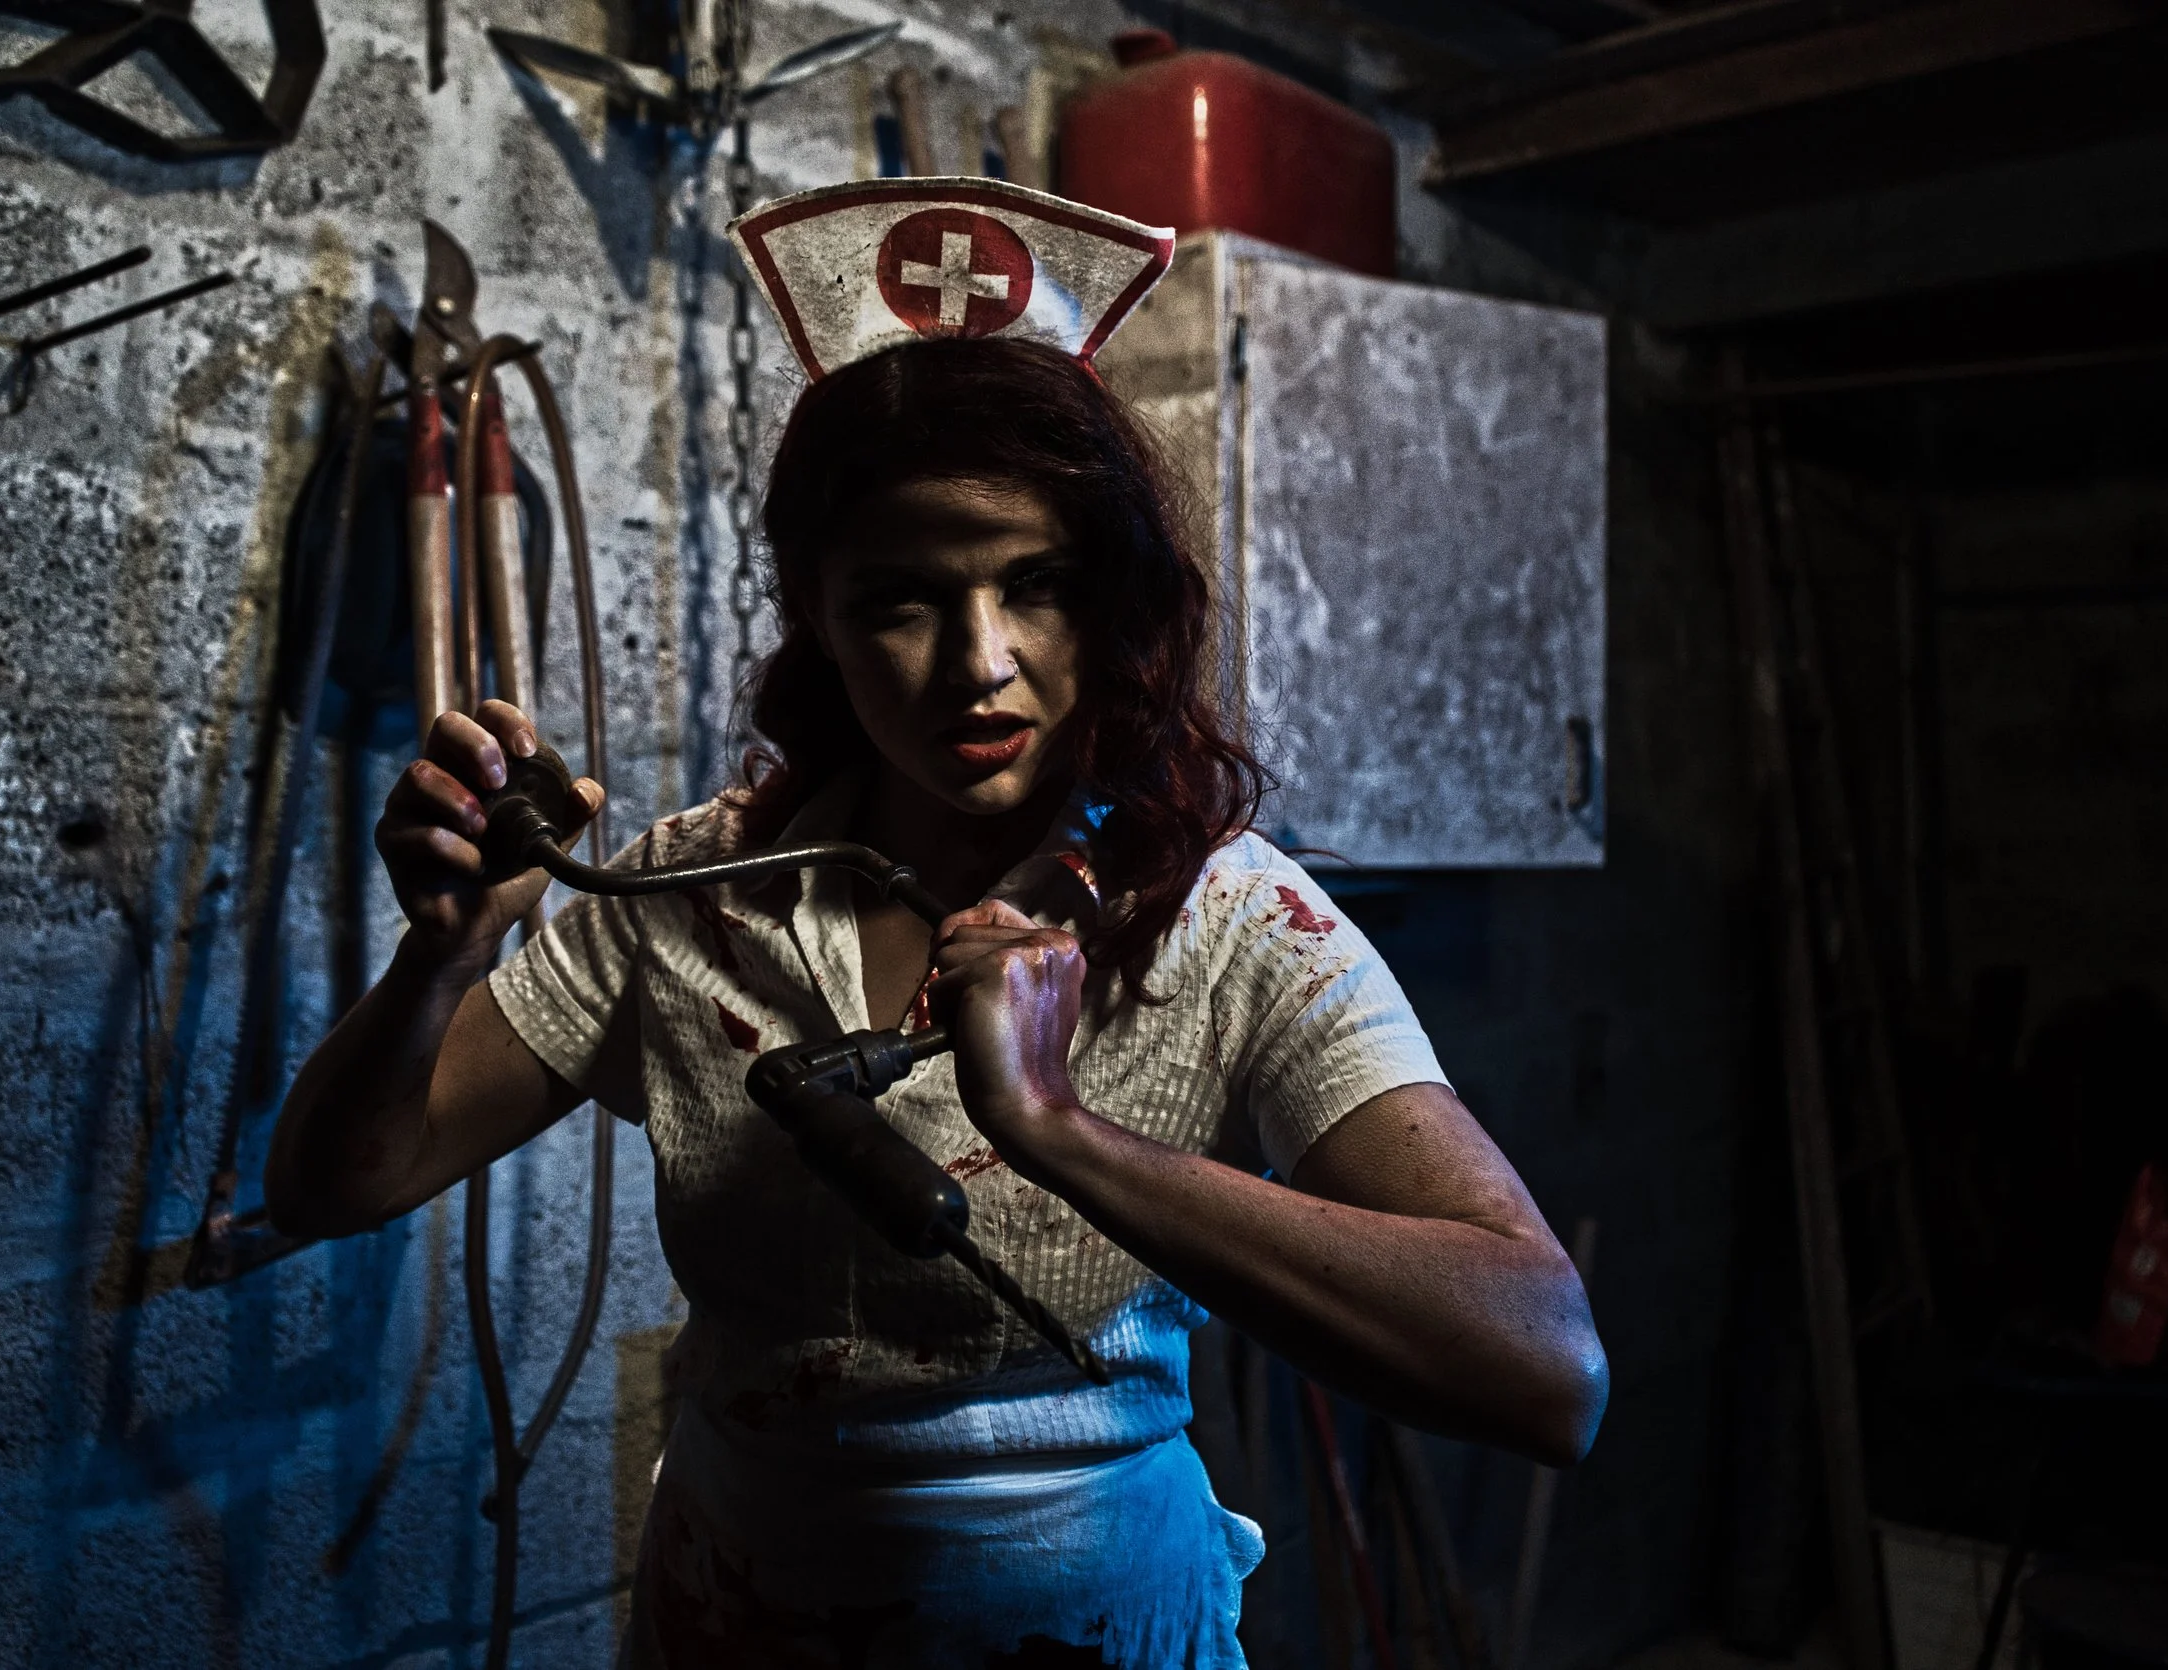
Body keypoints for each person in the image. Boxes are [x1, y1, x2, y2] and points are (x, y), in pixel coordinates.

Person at [268, 184, 1605, 1668]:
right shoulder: (694, 892)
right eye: (902, 600)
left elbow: (1547, 1371)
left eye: (1036, 586)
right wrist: (443, 950)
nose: (982, 663)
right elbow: (337, 1181)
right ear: (820, 625)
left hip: (1101, 1631)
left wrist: (1062, 1130)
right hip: (735, 1620)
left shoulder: (1224, 913)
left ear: (1118, 604)